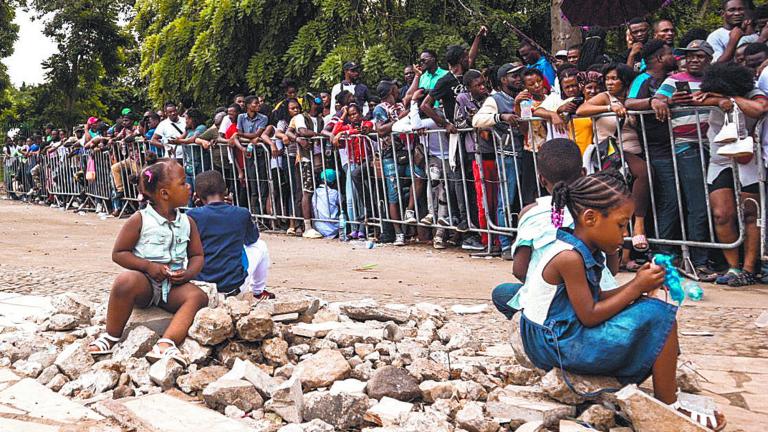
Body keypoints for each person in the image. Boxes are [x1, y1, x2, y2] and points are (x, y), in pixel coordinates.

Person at [514, 170, 726, 431]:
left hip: (559, 333)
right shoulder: (569, 258)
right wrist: (637, 286)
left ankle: (659, 375)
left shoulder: (582, 247)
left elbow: (595, 298)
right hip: (554, 343)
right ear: (590, 218)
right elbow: (589, 314)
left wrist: (637, 287)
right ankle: (669, 406)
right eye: (620, 224)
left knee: (646, 308)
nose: (624, 235)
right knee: (660, 316)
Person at [87, 154, 209, 367]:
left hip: (171, 287)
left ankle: (166, 342)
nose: (189, 186)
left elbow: (197, 256)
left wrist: (188, 274)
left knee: (198, 297)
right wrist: (148, 267)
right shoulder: (140, 219)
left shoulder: (188, 221)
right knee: (125, 281)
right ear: (164, 194)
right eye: (183, 183)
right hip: (145, 284)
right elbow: (119, 253)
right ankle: (111, 335)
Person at [491, 139, 618, 319]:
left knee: (502, 293)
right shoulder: (598, 211)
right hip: (599, 295)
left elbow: (520, 270)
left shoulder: (530, 213)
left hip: (554, 302)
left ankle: (531, 325)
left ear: (541, 179)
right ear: (583, 173)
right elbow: (612, 269)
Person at [696, 62, 768, 286]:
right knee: (722, 213)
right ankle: (733, 267)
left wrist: (732, 99)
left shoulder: (753, 93)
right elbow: (693, 99)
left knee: (751, 212)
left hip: (748, 159)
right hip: (720, 160)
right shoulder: (709, 92)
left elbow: (759, 109)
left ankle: (748, 268)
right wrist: (718, 100)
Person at [652, 39, 716, 278]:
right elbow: (657, 98)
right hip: (687, 146)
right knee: (698, 204)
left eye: (699, 56)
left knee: (713, 206)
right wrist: (664, 101)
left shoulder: (714, 80)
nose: (694, 60)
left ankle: (702, 258)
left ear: (709, 59)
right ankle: (697, 261)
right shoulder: (674, 80)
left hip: (717, 146)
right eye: (690, 56)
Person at [577, 62, 650, 269]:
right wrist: (609, 107)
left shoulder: (633, 99)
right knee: (641, 175)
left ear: (625, 81)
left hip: (634, 151)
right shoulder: (605, 98)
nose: (610, 83)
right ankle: (638, 227)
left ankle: (626, 256)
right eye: (607, 79)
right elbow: (583, 109)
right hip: (612, 153)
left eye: (614, 79)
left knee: (624, 202)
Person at [625, 40, 679, 258]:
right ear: (658, 58)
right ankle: (662, 251)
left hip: (677, 145)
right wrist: (652, 102)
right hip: (657, 149)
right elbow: (629, 102)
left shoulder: (672, 79)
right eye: (669, 53)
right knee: (669, 198)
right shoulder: (643, 78)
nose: (673, 57)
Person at [187, 171, 273, 299]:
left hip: (202, 286)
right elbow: (252, 239)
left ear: (196, 196)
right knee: (260, 245)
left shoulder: (191, 216)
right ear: (226, 190)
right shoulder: (241, 213)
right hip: (233, 287)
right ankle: (258, 290)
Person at [473, 61, 526, 251]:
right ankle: (504, 244)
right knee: (506, 200)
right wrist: (500, 117)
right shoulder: (495, 99)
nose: (519, 79)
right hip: (508, 155)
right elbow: (477, 120)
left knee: (524, 200)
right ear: (504, 80)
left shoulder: (525, 95)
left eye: (520, 75)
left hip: (527, 153)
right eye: (514, 76)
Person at [373, 79, 426, 247]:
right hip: (390, 154)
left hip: (407, 151)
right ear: (390, 91)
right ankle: (398, 233)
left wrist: (417, 77)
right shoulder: (380, 109)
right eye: (395, 87)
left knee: (419, 176)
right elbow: (381, 130)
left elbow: (409, 94)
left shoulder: (400, 106)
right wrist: (400, 119)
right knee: (393, 194)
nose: (398, 90)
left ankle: (409, 210)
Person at [290, 96, 327, 239]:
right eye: (316, 102)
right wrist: (318, 135)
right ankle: (307, 226)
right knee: (307, 191)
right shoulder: (301, 117)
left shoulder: (321, 120)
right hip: (305, 158)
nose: (319, 104)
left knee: (318, 190)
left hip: (320, 158)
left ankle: (319, 222)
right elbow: (302, 131)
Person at [230, 95, 271, 214]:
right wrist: (249, 138)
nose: (258, 105)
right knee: (252, 183)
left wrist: (244, 135)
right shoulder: (241, 117)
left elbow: (257, 133)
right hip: (248, 152)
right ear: (248, 106)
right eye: (255, 103)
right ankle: (256, 214)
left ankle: (264, 215)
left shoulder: (263, 118)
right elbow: (241, 133)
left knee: (263, 183)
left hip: (260, 152)